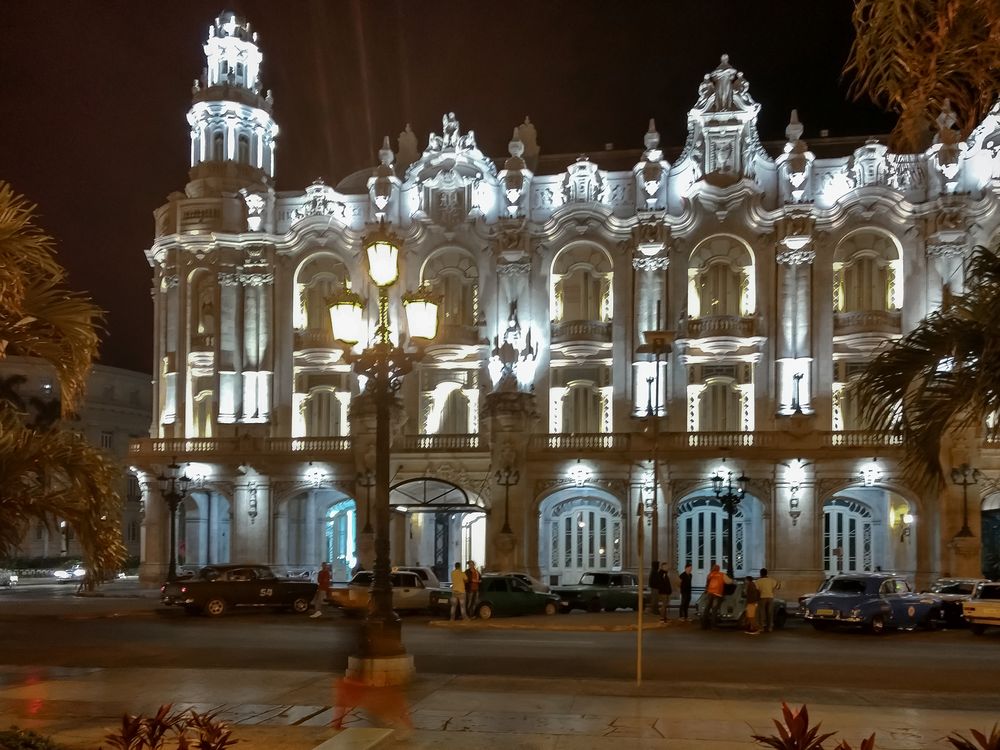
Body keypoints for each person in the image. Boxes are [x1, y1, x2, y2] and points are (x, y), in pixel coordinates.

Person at [700, 563, 731, 629]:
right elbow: (729, 582)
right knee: (714, 610)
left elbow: (707, 583)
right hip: (717, 594)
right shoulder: (722, 575)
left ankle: (704, 625)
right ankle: (713, 625)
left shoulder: (710, 574)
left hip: (710, 593)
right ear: (718, 569)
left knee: (707, 609)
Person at [756, 567, 781, 632]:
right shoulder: (771, 580)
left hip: (762, 597)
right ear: (767, 573)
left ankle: (761, 627)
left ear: (760, 574)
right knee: (770, 613)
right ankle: (770, 627)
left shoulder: (758, 581)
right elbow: (778, 587)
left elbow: (756, 589)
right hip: (770, 597)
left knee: (762, 613)